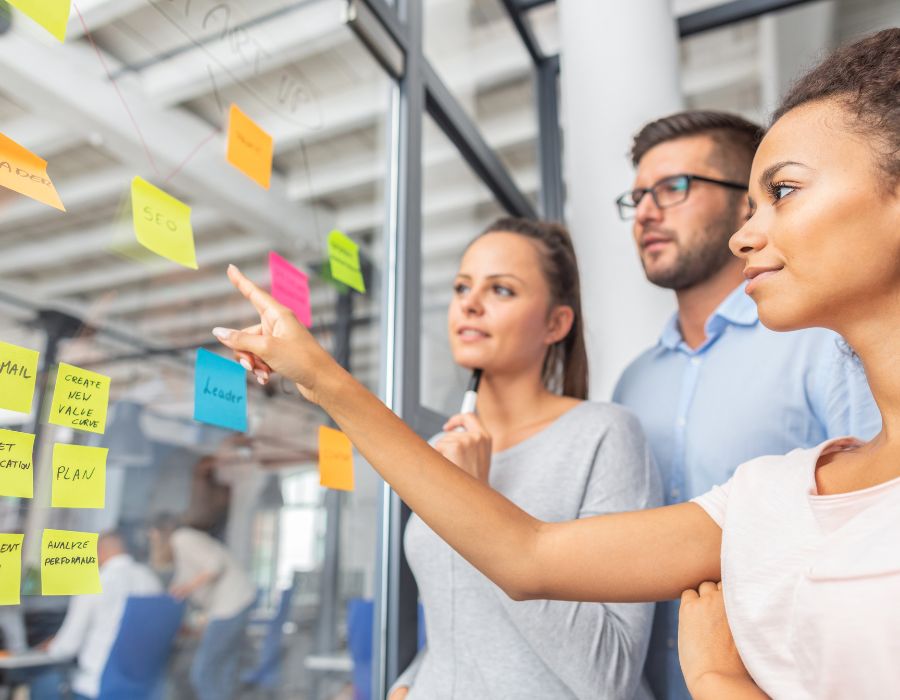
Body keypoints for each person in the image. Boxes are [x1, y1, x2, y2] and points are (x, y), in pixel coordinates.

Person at [213, 28, 900, 698]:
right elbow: (522, 562)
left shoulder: (625, 429)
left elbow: (563, 612)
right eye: (461, 288)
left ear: (556, 324)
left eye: (781, 192)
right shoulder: (760, 486)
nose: (750, 234)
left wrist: (718, 680)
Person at [611, 110, 881, 699]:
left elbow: (874, 527)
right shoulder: (631, 384)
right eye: (637, 198)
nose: (648, 213)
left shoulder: (824, 344)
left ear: (745, 207)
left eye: (673, 188)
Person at [388, 218, 660, 699]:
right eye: (462, 287)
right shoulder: (439, 453)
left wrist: (478, 502)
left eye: (502, 290)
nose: (469, 303)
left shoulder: (605, 435)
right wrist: (409, 683)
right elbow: (461, 623)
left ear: (556, 323)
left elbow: (611, 675)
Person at [33, 532, 162, 700]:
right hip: (140, 687)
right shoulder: (151, 580)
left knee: (41, 686)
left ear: (99, 552)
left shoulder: (95, 582)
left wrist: (49, 648)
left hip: (96, 686)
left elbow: (67, 648)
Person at [149, 513, 255, 700]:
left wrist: (186, 588)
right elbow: (181, 582)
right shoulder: (182, 545)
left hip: (230, 605)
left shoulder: (182, 538)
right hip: (236, 603)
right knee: (222, 670)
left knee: (203, 672)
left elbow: (215, 566)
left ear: (159, 533)